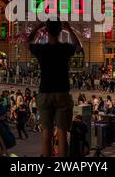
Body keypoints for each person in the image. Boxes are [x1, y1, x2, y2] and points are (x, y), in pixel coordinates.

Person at [28, 20, 82, 157]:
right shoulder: (65, 48)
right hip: (62, 94)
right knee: (62, 132)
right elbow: (78, 46)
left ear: (47, 31)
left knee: (46, 132)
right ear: (60, 31)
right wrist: (69, 29)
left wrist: (38, 27)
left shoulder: (41, 49)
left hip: (45, 93)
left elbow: (27, 42)